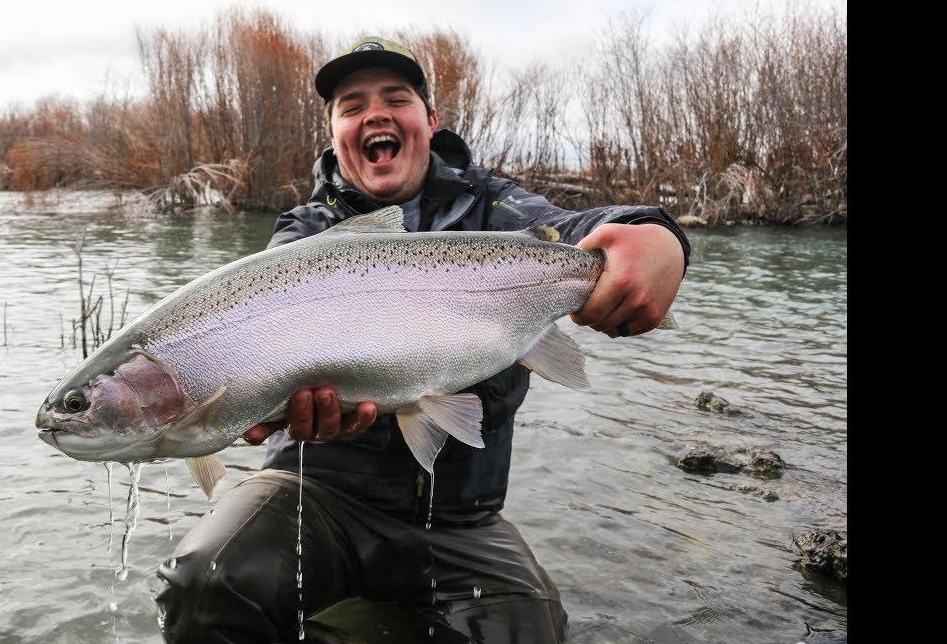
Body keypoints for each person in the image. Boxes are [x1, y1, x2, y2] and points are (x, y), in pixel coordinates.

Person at [154, 36, 690, 644]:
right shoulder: (304, 234)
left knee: (528, 632)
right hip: (312, 495)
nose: (374, 113)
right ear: (333, 133)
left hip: (461, 519)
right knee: (204, 580)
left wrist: (659, 237)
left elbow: (580, 231)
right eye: (352, 106)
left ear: (430, 121)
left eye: (396, 98)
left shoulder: (494, 206)